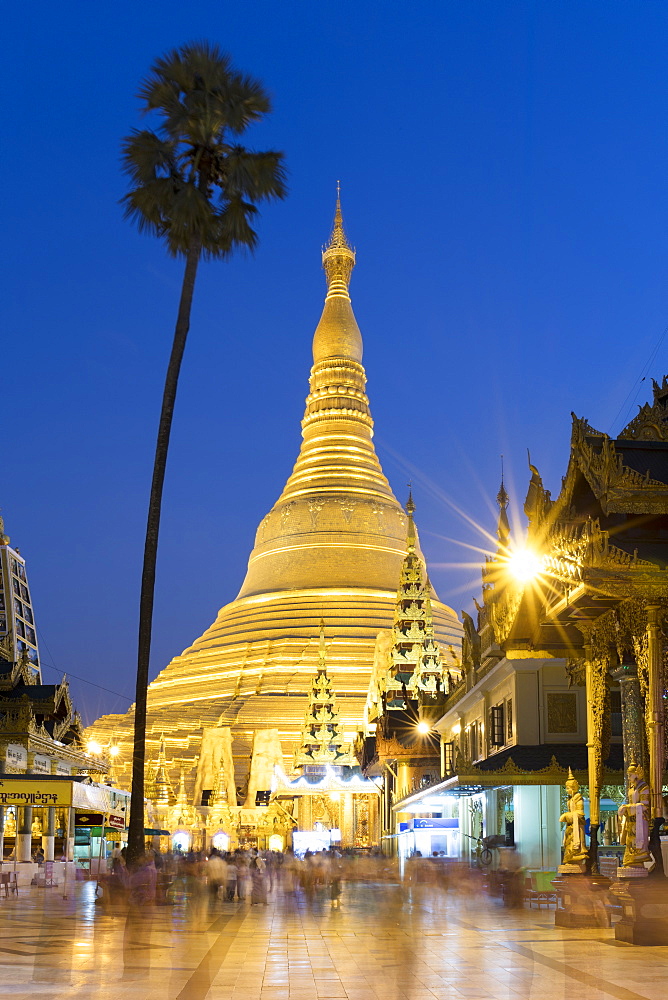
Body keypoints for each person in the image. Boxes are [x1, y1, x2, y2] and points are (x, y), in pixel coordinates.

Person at [619, 762, 652, 868]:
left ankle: (638, 859)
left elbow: (644, 805)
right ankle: (631, 860)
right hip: (631, 820)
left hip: (640, 820)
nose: (628, 777)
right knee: (630, 840)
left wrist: (628, 807)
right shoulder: (631, 788)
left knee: (638, 841)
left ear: (636, 774)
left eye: (630, 775)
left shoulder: (643, 787)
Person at [559, 769, 588, 866]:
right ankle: (570, 860)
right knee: (568, 843)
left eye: (568, 788)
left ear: (573, 788)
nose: (567, 790)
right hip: (571, 826)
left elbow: (580, 813)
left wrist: (568, 815)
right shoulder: (570, 799)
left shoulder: (578, 798)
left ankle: (576, 859)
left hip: (577, 825)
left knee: (575, 844)